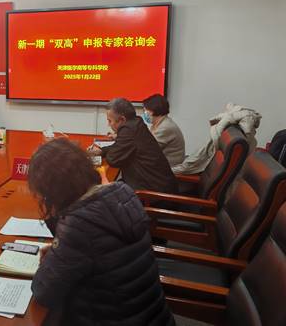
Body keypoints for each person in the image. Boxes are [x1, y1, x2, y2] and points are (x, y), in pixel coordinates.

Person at [28, 138, 175, 326]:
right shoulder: (123, 192)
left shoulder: (79, 225)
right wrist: (63, 251)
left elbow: (43, 291)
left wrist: (53, 256)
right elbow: (104, 250)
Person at [88, 98, 177, 193]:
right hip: (153, 185)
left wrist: (108, 152)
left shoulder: (128, 130)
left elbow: (113, 159)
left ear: (122, 119)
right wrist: (102, 151)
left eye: (110, 121)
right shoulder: (136, 123)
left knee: (100, 194)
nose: (108, 125)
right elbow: (120, 147)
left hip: (151, 193)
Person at [142, 94, 185, 167]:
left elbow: (148, 149)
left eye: (145, 110)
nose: (144, 113)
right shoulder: (158, 124)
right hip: (160, 163)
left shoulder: (165, 127)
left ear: (152, 111)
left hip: (168, 167)